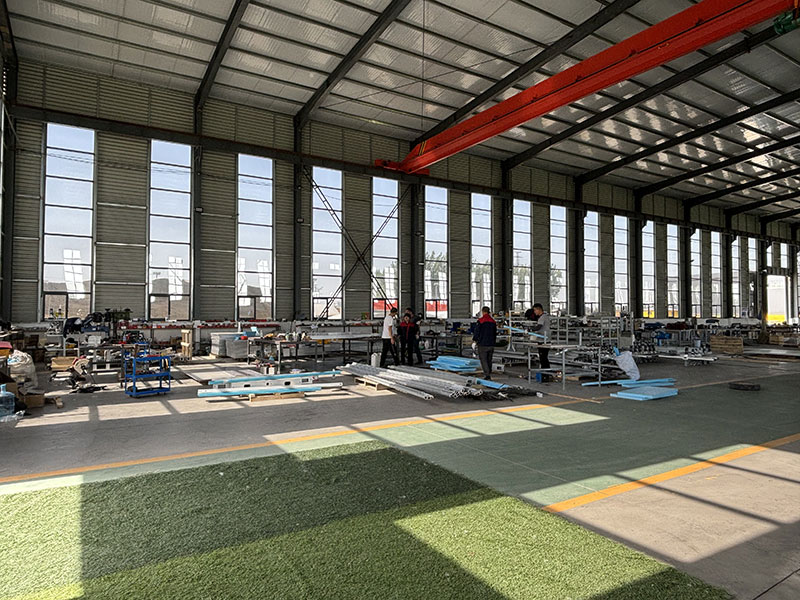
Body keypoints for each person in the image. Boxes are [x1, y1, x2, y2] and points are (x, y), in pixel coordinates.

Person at [472, 306, 497, 379]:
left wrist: (475, 340)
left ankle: (487, 374)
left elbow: (477, 332)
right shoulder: (493, 321)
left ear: (483, 312)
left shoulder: (480, 321)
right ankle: (489, 371)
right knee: (489, 359)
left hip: (482, 343)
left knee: (483, 359)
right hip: (491, 344)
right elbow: (495, 333)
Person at [530, 303, 550, 369]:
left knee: (543, 358)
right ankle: (546, 371)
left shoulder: (542, 317)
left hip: (543, 341)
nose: (534, 312)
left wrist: (530, 329)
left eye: (535, 310)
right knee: (543, 358)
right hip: (544, 339)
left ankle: (546, 372)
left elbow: (539, 327)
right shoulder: (545, 316)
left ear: (539, 309)